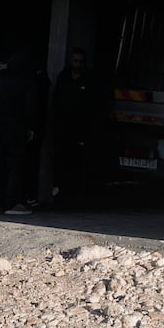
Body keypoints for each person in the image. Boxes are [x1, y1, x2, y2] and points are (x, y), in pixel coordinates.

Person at [0, 46, 39, 215]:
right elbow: (30, 107)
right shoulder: (27, 80)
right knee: (15, 165)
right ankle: (13, 203)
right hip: (16, 126)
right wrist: (31, 127)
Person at [51, 47, 104, 208]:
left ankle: (76, 200)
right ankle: (60, 198)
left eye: (81, 61)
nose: (78, 64)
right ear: (70, 61)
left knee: (79, 166)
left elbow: (95, 106)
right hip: (63, 129)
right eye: (75, 61)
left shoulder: (90, 79)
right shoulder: (64, 77)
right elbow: (56, 101)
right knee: (61, 165)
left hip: (82, 130)